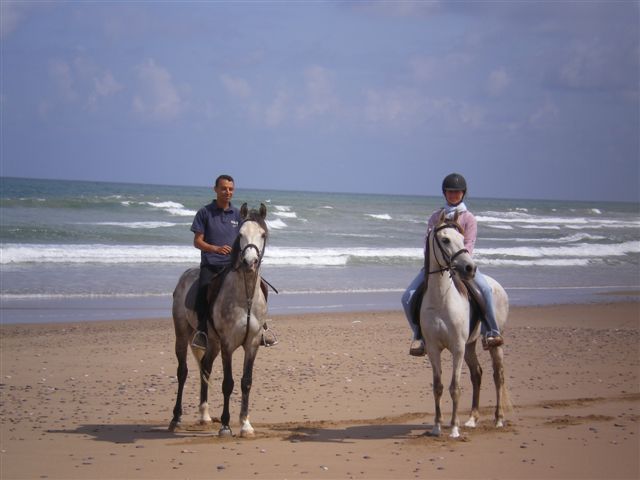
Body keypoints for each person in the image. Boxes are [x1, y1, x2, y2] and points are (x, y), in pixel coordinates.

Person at [401, 173, 504, 356]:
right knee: (407, 297)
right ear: (444, 193)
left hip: (462, 265)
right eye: (450, 192)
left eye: (457, 192)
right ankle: (419, 336)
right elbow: (428, 243)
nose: (453, 195)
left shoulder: (468, 218)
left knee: (486, 290)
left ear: (463, 194)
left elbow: (469, 244)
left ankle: (491, 332)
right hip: (437, 266)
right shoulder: (435, 217)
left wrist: (460, 264)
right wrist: (434, 262)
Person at [190, 174, 276, 351]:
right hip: (211, 264)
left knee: (262, 288)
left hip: (233, 265)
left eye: (230, 189)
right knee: (204, 288)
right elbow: (197, 241)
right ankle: (202, 332)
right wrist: (215, 249)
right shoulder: (204, 213)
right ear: (216, 189)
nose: (227, 192)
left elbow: (248, 236)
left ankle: (261, 328)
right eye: (223, 188)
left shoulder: (238, 214)